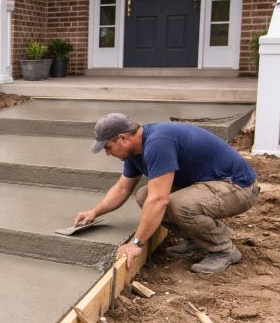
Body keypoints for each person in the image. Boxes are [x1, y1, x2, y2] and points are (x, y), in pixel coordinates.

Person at [74, 113, 259, 274]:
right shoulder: (135, 151)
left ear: (122, 138)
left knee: (176, 204)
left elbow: (159, 200)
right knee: (144, 195)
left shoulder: (157, 144)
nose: (107, 154)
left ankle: (224, 250)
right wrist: (94, 212)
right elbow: (122, 188)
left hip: (237, 186)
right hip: (207, 183)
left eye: (107, 147)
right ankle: (196, 240)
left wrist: (136, 244)